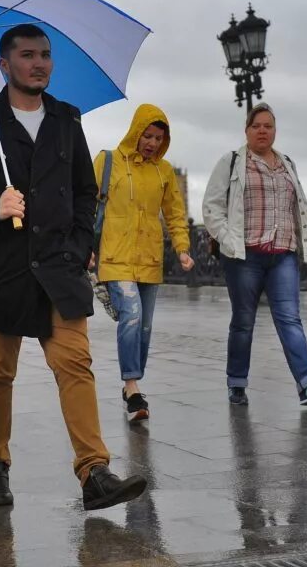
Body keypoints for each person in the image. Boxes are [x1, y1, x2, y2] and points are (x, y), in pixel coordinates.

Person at [0, 23, 147, 511]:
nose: (39, 63)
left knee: (75, 365)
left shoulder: (68, 119)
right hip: (0, 266)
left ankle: (94, 472)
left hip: (58, 266)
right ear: (5, 65)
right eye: (27, 55)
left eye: (46, 54)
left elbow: (86, 192)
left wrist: (80, 243)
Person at [202, 102, 307, 407]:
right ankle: (236, 383)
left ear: (275, 130)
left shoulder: (287, 162)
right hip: (244, 255)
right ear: (247, 130)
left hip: (283, 254)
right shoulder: (232, 161)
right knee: (243, 321)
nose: (262, 131)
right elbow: (212, 206)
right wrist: (226, 239)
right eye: (256, 126)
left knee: (290, 318)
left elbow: (299, 203)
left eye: (268, 126)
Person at [93, 104, 194, 423]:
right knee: (132, 315)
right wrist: (84, 245)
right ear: (135, 131)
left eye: (158, 138)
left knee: (146, 326)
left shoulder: (163, 172)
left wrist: (182, 247)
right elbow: (84, 201)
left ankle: (132, 383)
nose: (151, 142)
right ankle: (132, 386)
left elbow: (175, 213)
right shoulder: (107, 160)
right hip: (115, 254)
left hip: (149, 257)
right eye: (147, 135)